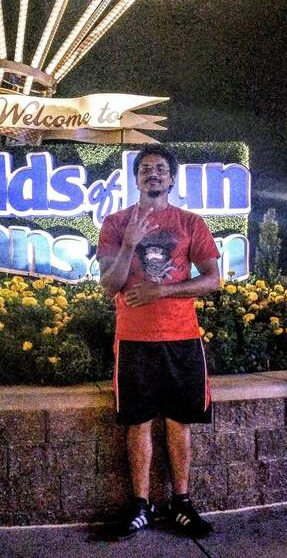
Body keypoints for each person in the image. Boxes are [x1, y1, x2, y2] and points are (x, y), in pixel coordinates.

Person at [96, 144, 220, 540]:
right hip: (134, 339)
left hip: (182, 337)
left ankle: (181, 503)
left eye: (161, 168)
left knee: (179, 422)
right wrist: (129, 243)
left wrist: (161, 291)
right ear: (136, 178)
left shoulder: (190, 223)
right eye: (146, 168)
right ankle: (140, 506)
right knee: (138, 423)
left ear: (171, 178)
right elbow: (109, 285)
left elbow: (213, 279)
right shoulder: (116, 223)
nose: (153, 173)